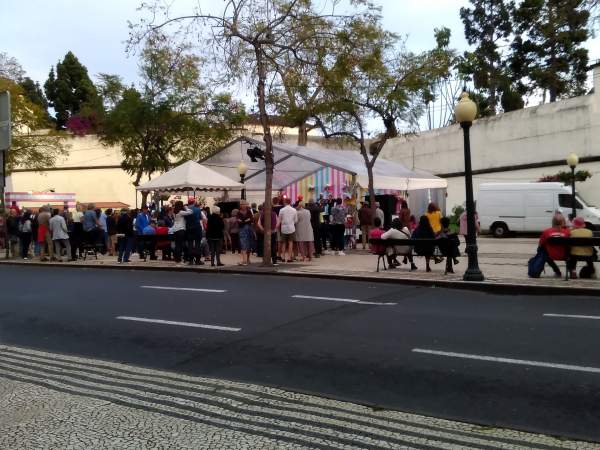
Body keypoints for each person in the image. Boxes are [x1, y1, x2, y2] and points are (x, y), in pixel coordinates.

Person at [278, 197, 298, 263]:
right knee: (290, 243)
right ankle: (289, 258)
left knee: (283, 243)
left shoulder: (281, 210)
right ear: (290, 202)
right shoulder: (294, 210)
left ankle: (283, 257)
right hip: (291, 228)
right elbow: (296, 220)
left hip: (283, 228)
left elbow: (279, 220)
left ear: (285, 202)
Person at [237, 200, 255, 266]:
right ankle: (244, 260)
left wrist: (243, 221)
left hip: (248, 229)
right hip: (242, 230)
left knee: (249, 244)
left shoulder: (249, 211)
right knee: (243, 244)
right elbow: (239, 220)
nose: (243, 205)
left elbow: (251, 219)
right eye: (242, 204)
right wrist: (246, 220)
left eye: (244, 204)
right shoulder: (239, 212)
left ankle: (248, 259)